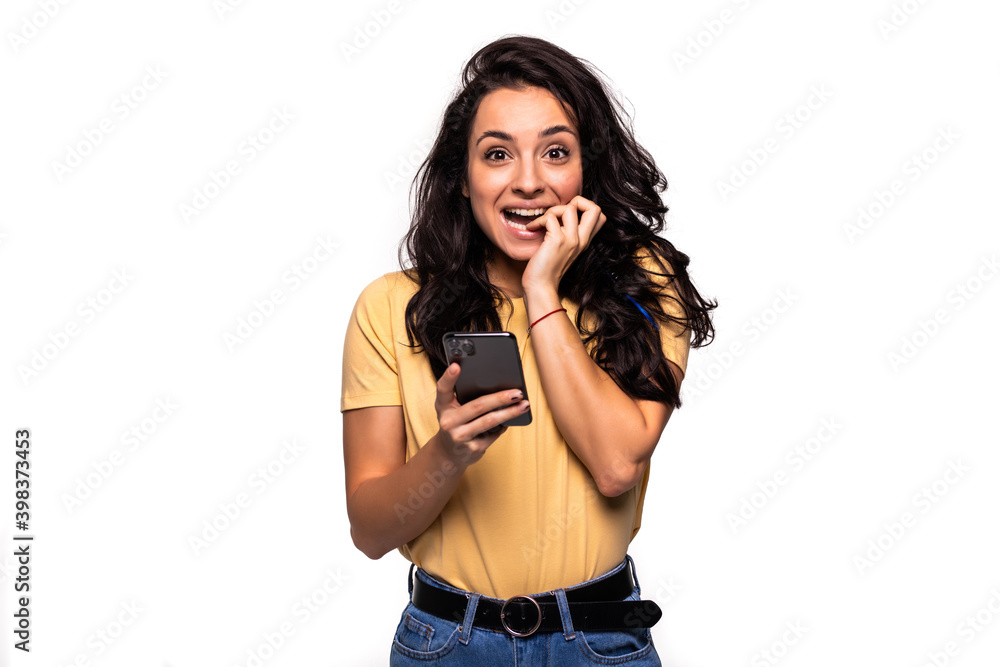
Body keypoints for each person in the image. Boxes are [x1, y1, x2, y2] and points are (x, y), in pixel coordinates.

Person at [341, 35, 716, 666]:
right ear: (463, 178)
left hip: (598, 641)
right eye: (497, 155)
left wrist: (542, 288)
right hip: (446, 642)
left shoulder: (644, 282)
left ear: (585, 170)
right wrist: (447, 452)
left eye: (555, 152)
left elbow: (617, 465)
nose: (529, 182)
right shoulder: (389, 306)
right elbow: (371, 532)